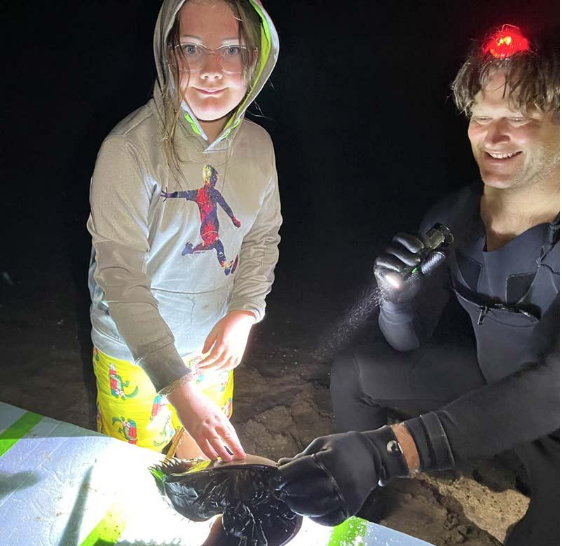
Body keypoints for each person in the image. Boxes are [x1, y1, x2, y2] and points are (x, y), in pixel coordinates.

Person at [274, 24, 559, 546]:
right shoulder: (456, 215)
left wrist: (389, 451)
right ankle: (358, 509)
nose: (492, 139)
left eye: (517, 120)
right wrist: (397, 303)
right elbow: (408, 340)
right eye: (480, 118)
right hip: (487, 378)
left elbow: (550, 392)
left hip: (553, 422)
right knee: (354, 373)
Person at [87, 0, 281, 462]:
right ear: (167, 52)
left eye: (232, 49)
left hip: (213, 349)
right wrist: (174, 384)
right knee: (130, 478)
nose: (213, 69)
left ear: (255, 57)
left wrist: (245, 312)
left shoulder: (259, 146)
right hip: (134, 356)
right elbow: (119, 275)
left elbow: (261, 238)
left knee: (200, 469)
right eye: (193, 49)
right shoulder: (128, 149)